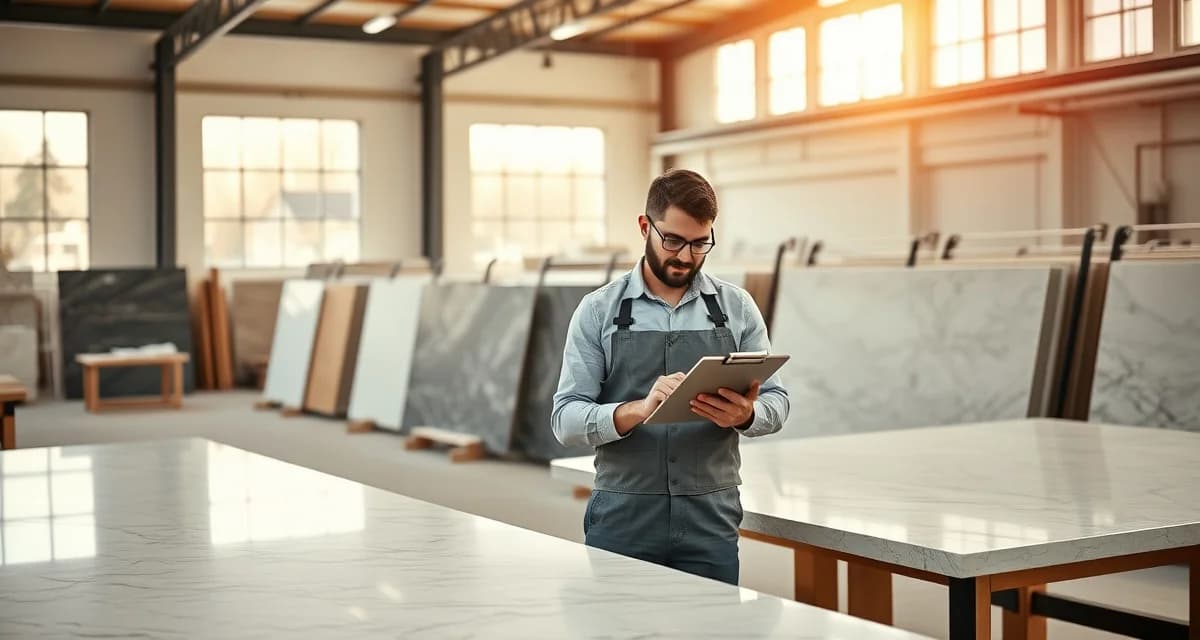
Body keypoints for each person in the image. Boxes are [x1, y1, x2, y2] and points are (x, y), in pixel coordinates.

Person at [551, 168, 789, 585]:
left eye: (700, 244)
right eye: (673, 240)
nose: (685, 256)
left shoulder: (737, 308)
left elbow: (777, 402)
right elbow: (565, 420)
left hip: (710, 517)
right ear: (645, 226)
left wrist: (746, 415)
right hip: (624, 516)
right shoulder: (598, 311)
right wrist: (636, 410)